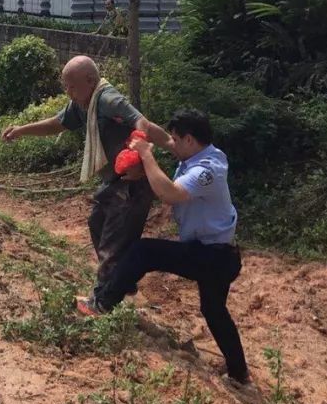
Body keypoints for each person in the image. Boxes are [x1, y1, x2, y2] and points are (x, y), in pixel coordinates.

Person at [78, 109, 250, 386]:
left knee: (144, 251)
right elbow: (164, 141)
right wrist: (141, 127)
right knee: (214, 310)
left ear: (190, 140)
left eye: (176, 139)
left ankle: (103, 303)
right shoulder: (196, 153)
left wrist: (146, 155)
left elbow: (170, 194)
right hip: (217, 254)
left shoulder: (208, 169)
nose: (173, 144)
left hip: (213, 256)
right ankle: (239, 373)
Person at [1, 56, 173, 307]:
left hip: (132, 183)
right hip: (114, 181)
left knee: (111, 244)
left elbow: (141, 122)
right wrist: (21, 130)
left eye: (71, 86)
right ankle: (123, 278)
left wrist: (140, 159)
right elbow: (56, 124)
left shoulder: (107, 99)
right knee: (97, 222)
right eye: (65, 86)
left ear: (90, 81)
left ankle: (102, 302)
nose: (67, 91)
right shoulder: (83, 104)